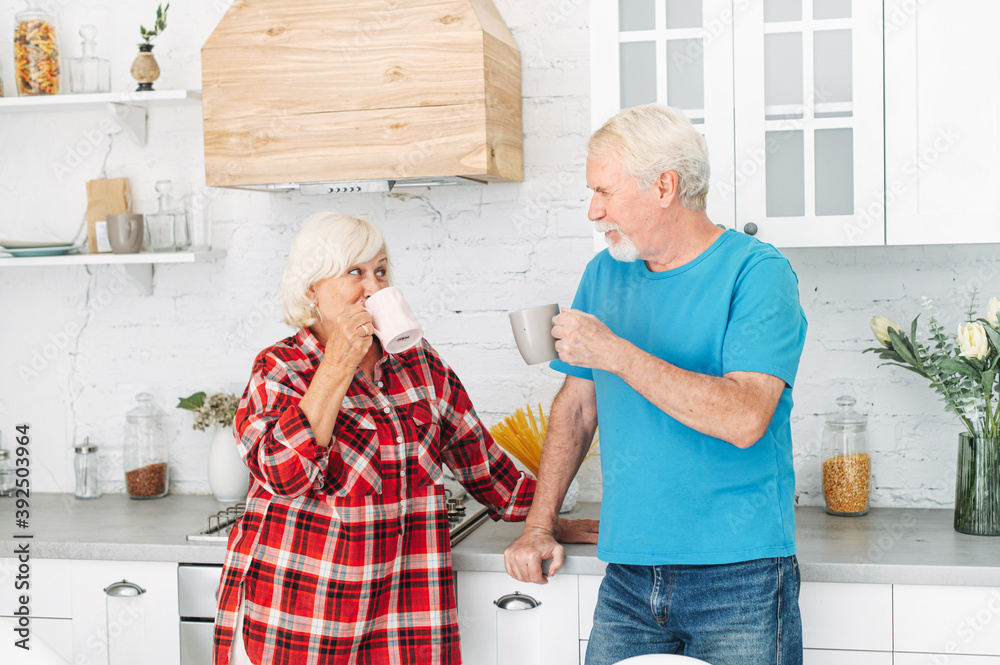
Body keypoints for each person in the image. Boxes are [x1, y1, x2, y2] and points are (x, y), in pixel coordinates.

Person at [212, 211, 598, 665]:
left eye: (380, 271)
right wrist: (336, 366)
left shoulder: (417, 363)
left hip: (401, 612)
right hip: (306, 612)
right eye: (354, 272)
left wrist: (545, 519)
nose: (374, 287)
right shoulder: (280, 368)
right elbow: (283, 473)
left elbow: (482, 460)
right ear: (312, 288)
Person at [504, 104, 808, 665]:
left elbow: (744, 419)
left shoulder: (757, 272)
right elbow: (576, 407)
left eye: (605, 192)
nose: (594, 212)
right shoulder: (605, 272)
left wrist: (615, 353)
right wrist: (538, 525)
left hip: (738, 576)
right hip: (628, 577)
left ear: (664, 186)